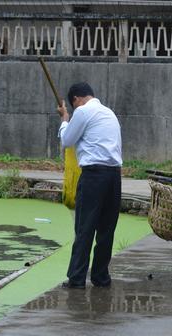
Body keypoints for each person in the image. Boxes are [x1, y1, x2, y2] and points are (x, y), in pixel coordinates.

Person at [57, 82, 122, 289]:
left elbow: (67, 140)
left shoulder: (83, 111)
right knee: (106, 229)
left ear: (76, 99)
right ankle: (100, 277)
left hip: (94, 176)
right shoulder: (109, 113)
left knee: (85, 228)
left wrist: (65, 119)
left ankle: (76, 279)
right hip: (114, 176)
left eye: (74, 106)